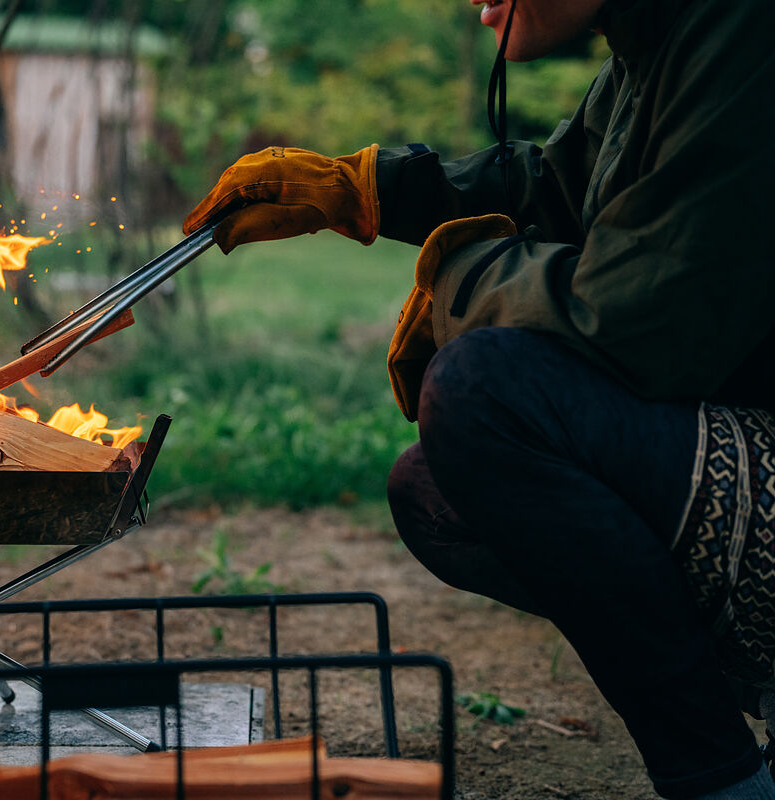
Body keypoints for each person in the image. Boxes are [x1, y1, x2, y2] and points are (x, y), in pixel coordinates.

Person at [182, 0, 775, 798]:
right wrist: (359, 189)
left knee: (483, 391)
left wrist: (454, 279)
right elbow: (550, 185)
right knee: (430, 492)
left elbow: (636, 319)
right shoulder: (651, 45)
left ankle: (718, 781)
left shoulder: (743, 31)